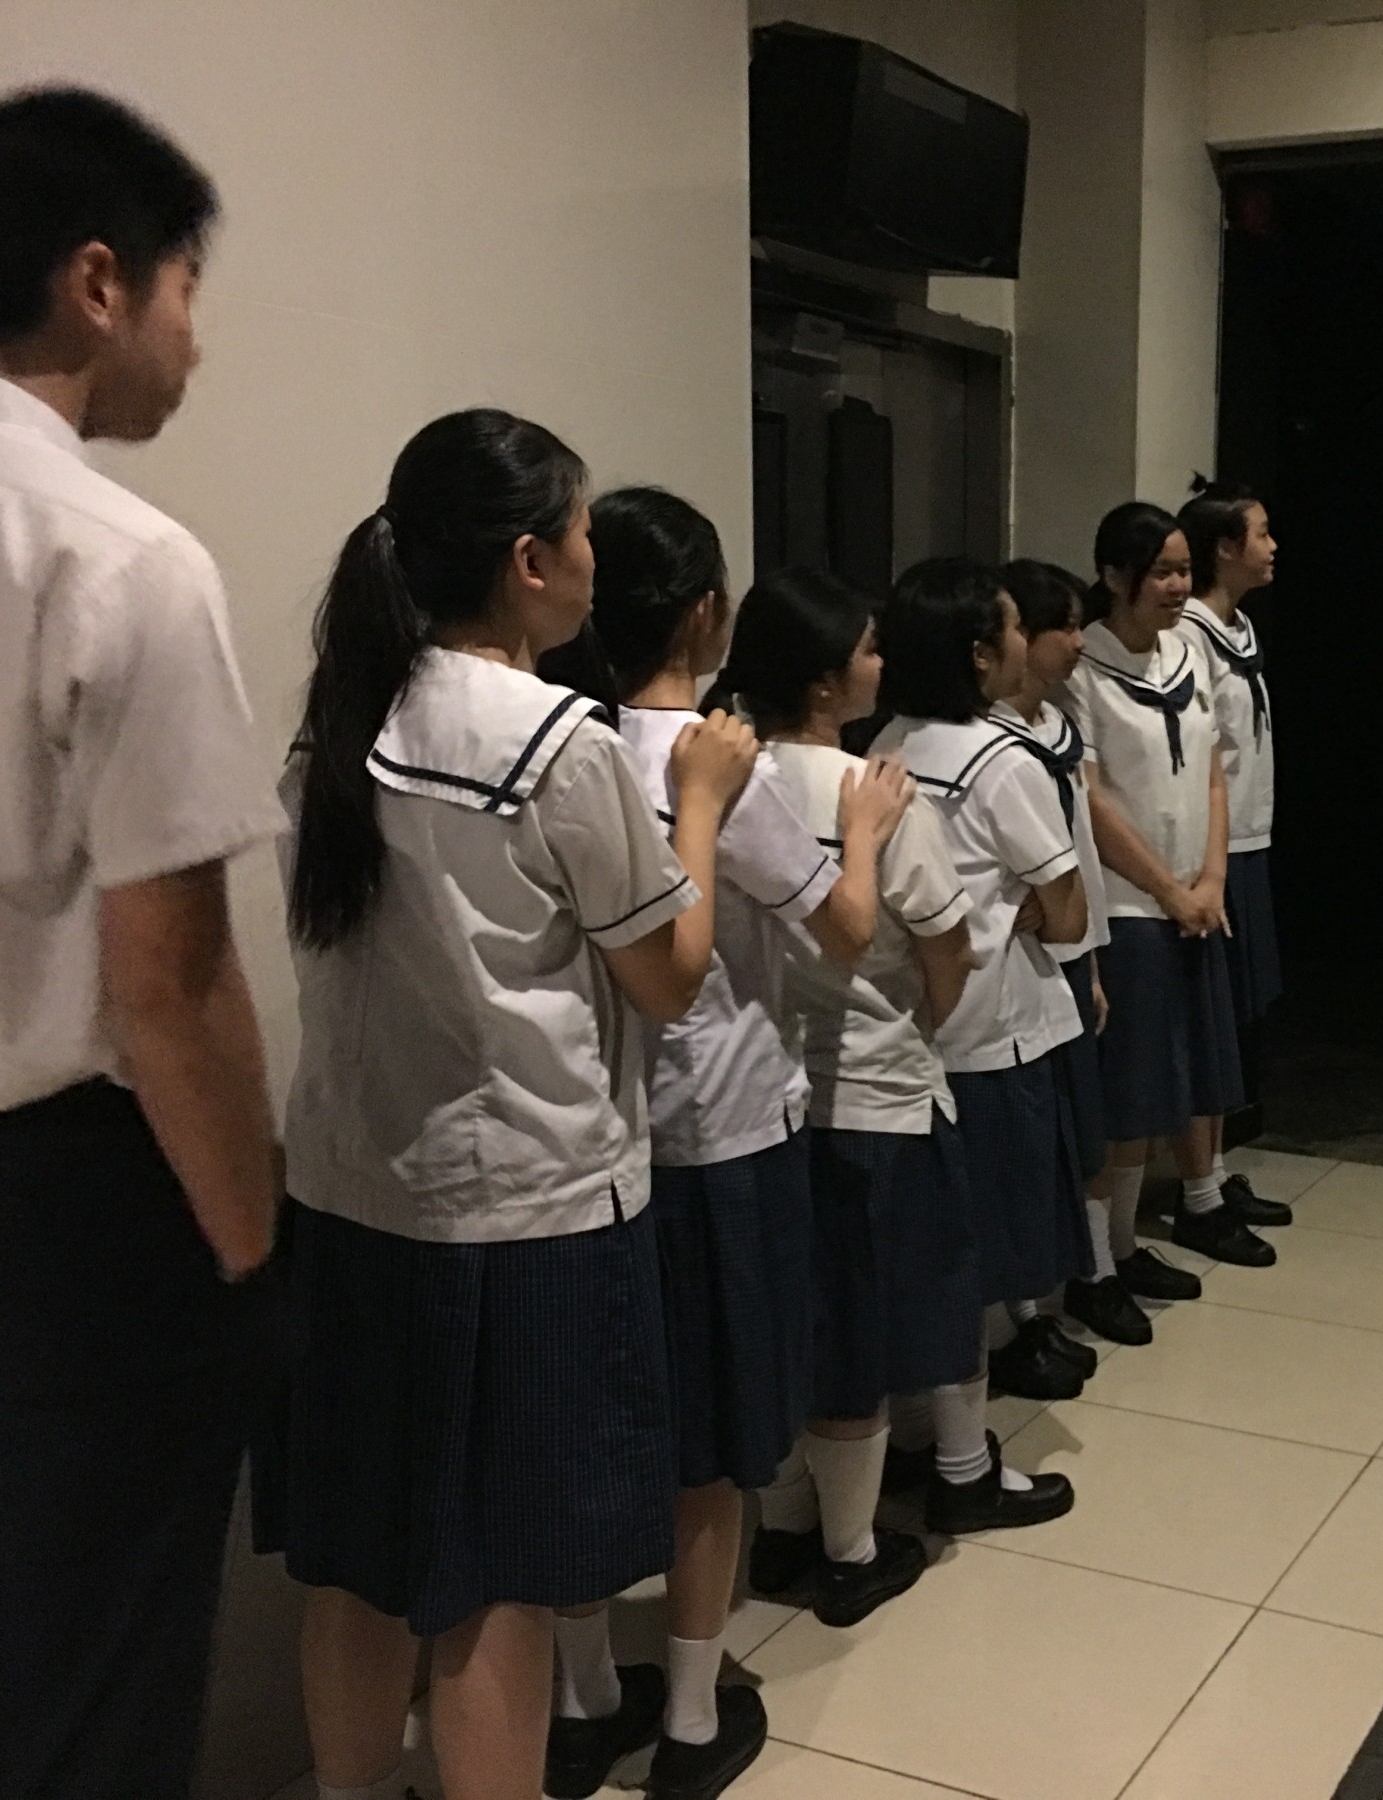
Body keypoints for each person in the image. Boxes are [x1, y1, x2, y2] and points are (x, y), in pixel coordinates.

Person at [266, 410, 757, 1800]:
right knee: (501, 1583)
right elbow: (667, 976)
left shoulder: (338, 720)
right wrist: (701, 803)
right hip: (528, 1219)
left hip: (348, 1197)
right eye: (585, 531)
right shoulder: (555, 743)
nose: (597, 558)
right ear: (531, 561)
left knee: (359, 1565)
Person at [0, 88, 285, 1800]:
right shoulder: (120, 562)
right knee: (89, 1702)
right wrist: (259, 1261)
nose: (197, 340)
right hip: (72, 1218)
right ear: (101, 282)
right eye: (192, 290)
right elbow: (170, 986)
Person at [533, 491, 914, 1798]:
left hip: (600, 1143)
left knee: (594, 1430)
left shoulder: (569, 748)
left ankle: (584, 1697)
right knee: (710, 1445)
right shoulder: (716, 765)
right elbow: (844, 932)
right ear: (706, 614)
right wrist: (863, 835)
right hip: (730, 1137)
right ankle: (693, 1723)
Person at [727, 569, 982, 1627]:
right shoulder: (869, 792)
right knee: (860, 1338)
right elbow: (947, 946)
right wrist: (923, 1024)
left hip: (760, 1098)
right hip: (874, 1093)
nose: (884, 662)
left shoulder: (725, 779)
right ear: (829, 682)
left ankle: (787, 1534)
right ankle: (851, 1549)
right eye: (869, 648)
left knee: (794, 1324)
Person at [870, 558, 1092, 1523]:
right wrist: (1033, 914)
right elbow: (1068, 908)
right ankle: (965, 1464)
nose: (1020, 644)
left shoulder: (883, 745)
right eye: (1008, 627)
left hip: (907, 1038)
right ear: (977, 653)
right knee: (970, 1263)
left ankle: (915, 1437)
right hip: (992, 1040)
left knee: (920, 1256)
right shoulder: (1000, 760)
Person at [1065, 503, 1271, 1282]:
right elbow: (1092, 800)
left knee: (1196, 1072)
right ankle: (1105, 1262)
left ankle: (1173, 1218)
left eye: (1184, 570)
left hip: (1195, 900)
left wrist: (1210, 879)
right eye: (1161, 572)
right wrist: (1167, 890)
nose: (1178, 585)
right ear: (1115, 576)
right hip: (1131, 908)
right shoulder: (1085, 668)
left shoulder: (1186, 652)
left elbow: (1215, 773)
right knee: (1131, 1097)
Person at [998, 559, 1147, 1346]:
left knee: (1082, 1132)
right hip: (1013, 973)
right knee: (1024, 1148)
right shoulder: (990, 740)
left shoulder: (1059, 726)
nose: (1077, 640)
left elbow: (1078, 853)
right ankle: (1023, 1314)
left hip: (1069, 950)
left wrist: (1088, 961)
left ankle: (1095, 1272)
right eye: (1059, 626)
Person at [1176, 478, 1292, 1228]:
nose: (1273, 546)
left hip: (1249, 838)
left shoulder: (1237, 628)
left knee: (1235, 1020)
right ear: (1225, 548)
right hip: (1210, 849)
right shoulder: (1191, 634)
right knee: (1209, 1019)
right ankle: (1198, 1188)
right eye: (1261, 532)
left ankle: (1216, 1172)